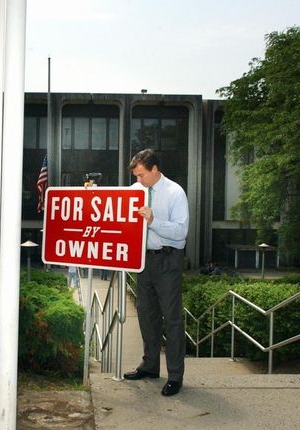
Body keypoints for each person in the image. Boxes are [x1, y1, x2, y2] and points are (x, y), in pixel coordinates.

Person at [124, 148, 189, 397]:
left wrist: (153, 222)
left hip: (168, 260)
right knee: (146, 315)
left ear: (154, 169)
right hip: (143, 262)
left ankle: (175, 376)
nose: (137, 181)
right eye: (135, 176)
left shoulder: (175, 192)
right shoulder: (135, 191)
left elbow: (181, 233)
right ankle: (150, 366)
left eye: (141, 175)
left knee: (172, 320)